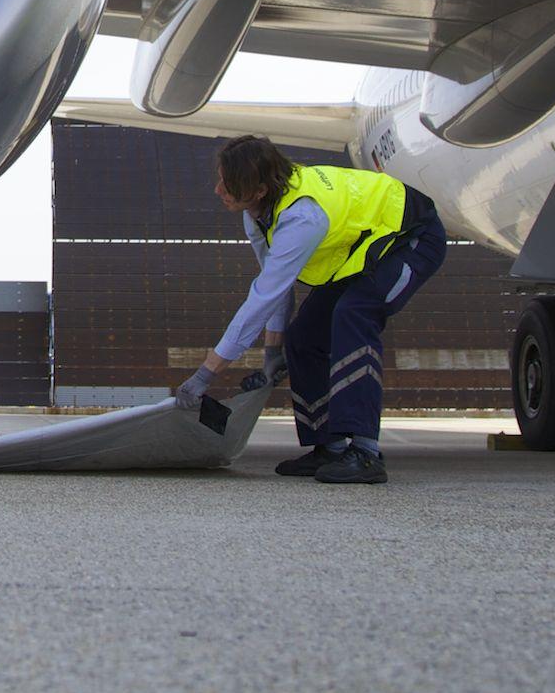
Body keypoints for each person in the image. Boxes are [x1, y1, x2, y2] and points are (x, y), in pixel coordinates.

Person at [171, 134, 447, 484]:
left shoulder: (302, 216)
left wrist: (206, 373)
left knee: (354, 314)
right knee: (302, 337)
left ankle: (365, 452)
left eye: (229, 184)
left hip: (411, 239)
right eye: (221, 179)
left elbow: (263, 297)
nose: (218, 189)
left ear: (258, 190)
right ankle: (328, 446)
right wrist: (273, 353)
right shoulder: (258, 212)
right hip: (361, 253)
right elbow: (276, 285)